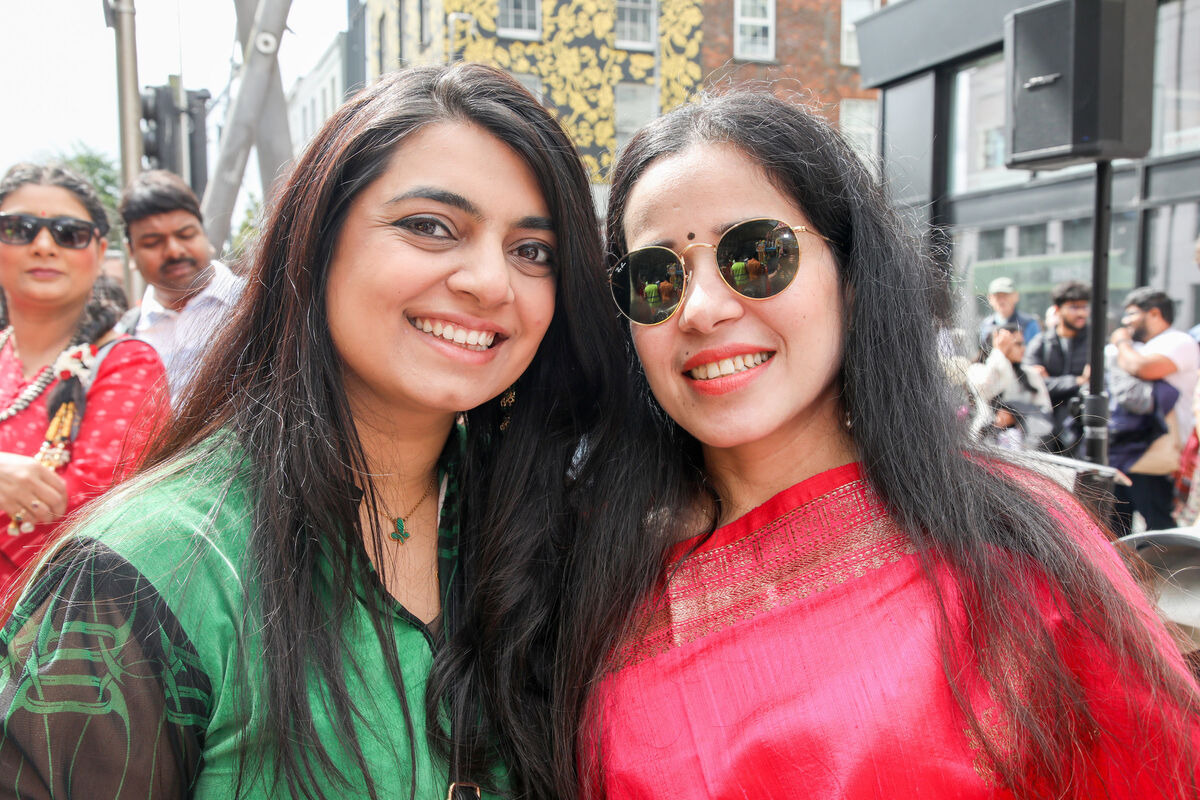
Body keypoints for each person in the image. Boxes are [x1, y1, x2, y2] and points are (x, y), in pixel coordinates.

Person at [0, 63, 645, 799]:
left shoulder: (547, 527)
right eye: (430, 227)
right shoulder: (145, 574)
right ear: (317, 239)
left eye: (534, 251)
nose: (490, 283)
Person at [560, 89, 1200, 799]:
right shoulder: (602, 578)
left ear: (855, 276)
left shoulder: (1013, 550)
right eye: (656, 278)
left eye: (757, 255)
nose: (704, 309)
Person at [0, 163, 166, 594]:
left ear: (99, 250)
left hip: (42, 643)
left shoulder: (128, 366)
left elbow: (82, 519)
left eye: (68, 233)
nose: (42, 245)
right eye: (18, 229)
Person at [118, 170, 245, 400]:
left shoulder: (259, 303)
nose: (174, 251)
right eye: (153, 242)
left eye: (186, 235)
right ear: (131, 253)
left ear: (204, 236)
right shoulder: (125, 338)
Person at [1108, 288, 1199, 533]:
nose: (1126, 322)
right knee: (1116, 529)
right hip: (1126, 449)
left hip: (1156, 452)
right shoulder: (1143, 345)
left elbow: (1141, 367)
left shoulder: (1178, 341)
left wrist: (1121, 342)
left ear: (1155, 313)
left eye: (1132, 314)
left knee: (1159, 531)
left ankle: (1166, 573)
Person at [1024, 280, 1091, 455]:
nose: (1082, 313)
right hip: (1044, 435)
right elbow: (1031, 384)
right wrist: (1078, 380)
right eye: (1074, 307)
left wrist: (1050, 382)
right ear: (1057, 309)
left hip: (1081, 434)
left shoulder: (1094, 344)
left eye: (1084, 307)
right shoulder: (1040, 343)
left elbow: (1095, 385)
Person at [967, 322, 1053, 450]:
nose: (1023, 348)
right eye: (1017, 344)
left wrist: (1016, 414)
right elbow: (986, 388)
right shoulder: (977, 370)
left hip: (1027, 445)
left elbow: (1045, 409)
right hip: (987, 444)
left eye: (1023, 343)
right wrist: (999, 353)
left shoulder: (1031, 374)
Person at [978, 275, 1039, 353]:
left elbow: (1035, 354)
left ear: (1016, 296)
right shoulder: (985, 325)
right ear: (990, 298)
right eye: (997, 296)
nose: (1001, 300)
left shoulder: (1029, 324)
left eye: (1005, 295)